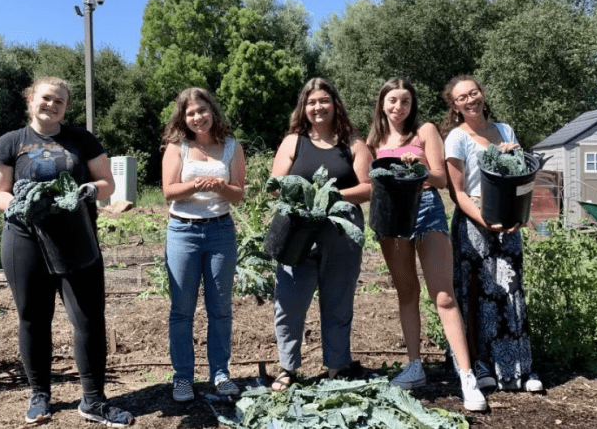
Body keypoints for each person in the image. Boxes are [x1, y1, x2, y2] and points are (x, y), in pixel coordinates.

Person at [0, 76, 134, 426]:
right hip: (25, 239)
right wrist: (19, 206)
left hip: (76, 238)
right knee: (33, 318)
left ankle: (94, 400)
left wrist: (88, 191)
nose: (52, 105)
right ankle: (39, 394)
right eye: (46, 98)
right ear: (30, 100)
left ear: (66, 108)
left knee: (88, 319)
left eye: (60, 102)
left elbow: (107, 183)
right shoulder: (10, 142)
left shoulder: (81, 139)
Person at [366, 78, 487, 411]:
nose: (398, 107)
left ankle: (467, 376)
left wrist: (415, 167)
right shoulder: (374, 140)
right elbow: (368, 182)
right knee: (407, 292)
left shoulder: (425, 131)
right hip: (392, 219)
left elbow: (440, 177)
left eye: (404, 101)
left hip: (427, 211)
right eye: (392, 101)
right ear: (382, 103)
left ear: (411, 105)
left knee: (443, 295)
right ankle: (415, 365)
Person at [441, 75, 544, 393]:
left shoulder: (505, 131)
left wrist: (519, 216)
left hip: (508, 222)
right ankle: (481, 365)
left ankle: (520, 369)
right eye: (462, 98)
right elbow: (457, 192)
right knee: (475, 295)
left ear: (483, 95)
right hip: (474, 225)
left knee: (510, 292)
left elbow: (519, 176)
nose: (470, 100)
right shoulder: (456, 138)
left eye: (474, 93)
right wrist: (485, 221)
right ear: (455, 106)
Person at [269, 77, 372, 391]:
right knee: (289, 302)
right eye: (311, 102)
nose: (318, 107)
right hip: (298, 232)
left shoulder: (353, 144)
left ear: (334, 104)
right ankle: (288, 367)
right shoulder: (294, 142)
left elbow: (368, 187)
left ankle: (337, 366)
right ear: (304, 107)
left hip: (341, 233)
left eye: (323, 101)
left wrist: (332, 197)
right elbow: (276, 184)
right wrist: (304, 202)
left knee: (338, 301)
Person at [161, 87, 246, 402]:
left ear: (213, 111)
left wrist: (222, 186)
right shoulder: (177, 147)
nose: (198, 117)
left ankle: (220, 374)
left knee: (220, 308)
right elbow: (169, 191)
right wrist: (195, 185)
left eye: (202, 110)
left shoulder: (231, 147)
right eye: (191, 112)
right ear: (184, 117)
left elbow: (237, 196)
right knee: (182, 310)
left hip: (220, 231)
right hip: (183, 231)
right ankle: (183, 377)